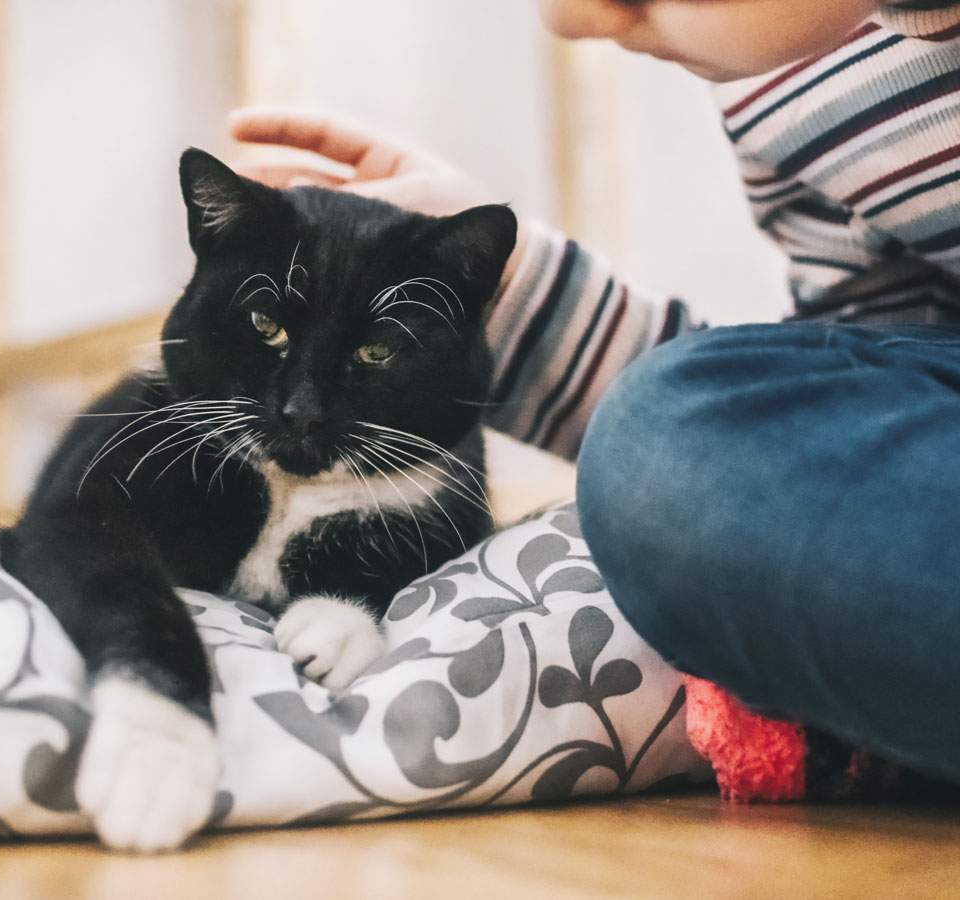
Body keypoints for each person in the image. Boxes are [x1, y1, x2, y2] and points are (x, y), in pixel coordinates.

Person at [226, 0, 960, 786]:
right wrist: (507, 298)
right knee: (670, 448)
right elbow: (859, 404)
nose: (572, 19)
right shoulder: (776, 77)